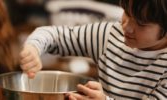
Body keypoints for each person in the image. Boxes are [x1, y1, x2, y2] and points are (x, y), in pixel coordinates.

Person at [20, 0, 167, 99]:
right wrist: (33, 48)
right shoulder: (110, 35)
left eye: (141, 23)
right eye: (127, 13)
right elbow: (54, 35)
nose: (127, 27)